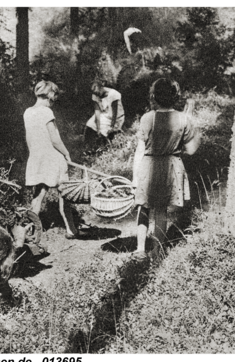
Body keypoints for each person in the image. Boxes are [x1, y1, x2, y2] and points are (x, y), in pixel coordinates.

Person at [131, 78, 200, 261]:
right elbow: (192, 150)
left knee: (143, 207)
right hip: (170, 166)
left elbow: (140, 149)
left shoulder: (148, 118)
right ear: (176, 96)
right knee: (161, 210)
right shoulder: (183, 119)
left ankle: (140, 249)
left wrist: (134, 177)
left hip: (148, 164)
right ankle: (156, 250)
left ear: (154, 96)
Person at [24, 81, 78, 238]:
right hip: (52, 156)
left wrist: (33, 153)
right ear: (50, 95)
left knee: (38, 195)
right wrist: (66, 154)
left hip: (36, 156)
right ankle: (71, 229)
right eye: (54, 95)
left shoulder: (28, 112)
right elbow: (54, 139)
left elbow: (28, 137)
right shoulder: (46, 112)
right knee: (64, 192)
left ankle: (32, 230)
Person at [85, 79, 125, 147]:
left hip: (116, 118)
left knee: (106, 132)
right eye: (93, 91)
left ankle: (106, 145)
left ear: (101, 86)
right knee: (89, 124)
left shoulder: (113, 94)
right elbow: (97, 113)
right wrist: (98, 129)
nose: (95, 92)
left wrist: (111, 127)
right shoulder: (95, 95)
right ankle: (87, 145)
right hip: (105, 115)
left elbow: (114, 114)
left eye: (95, 88)